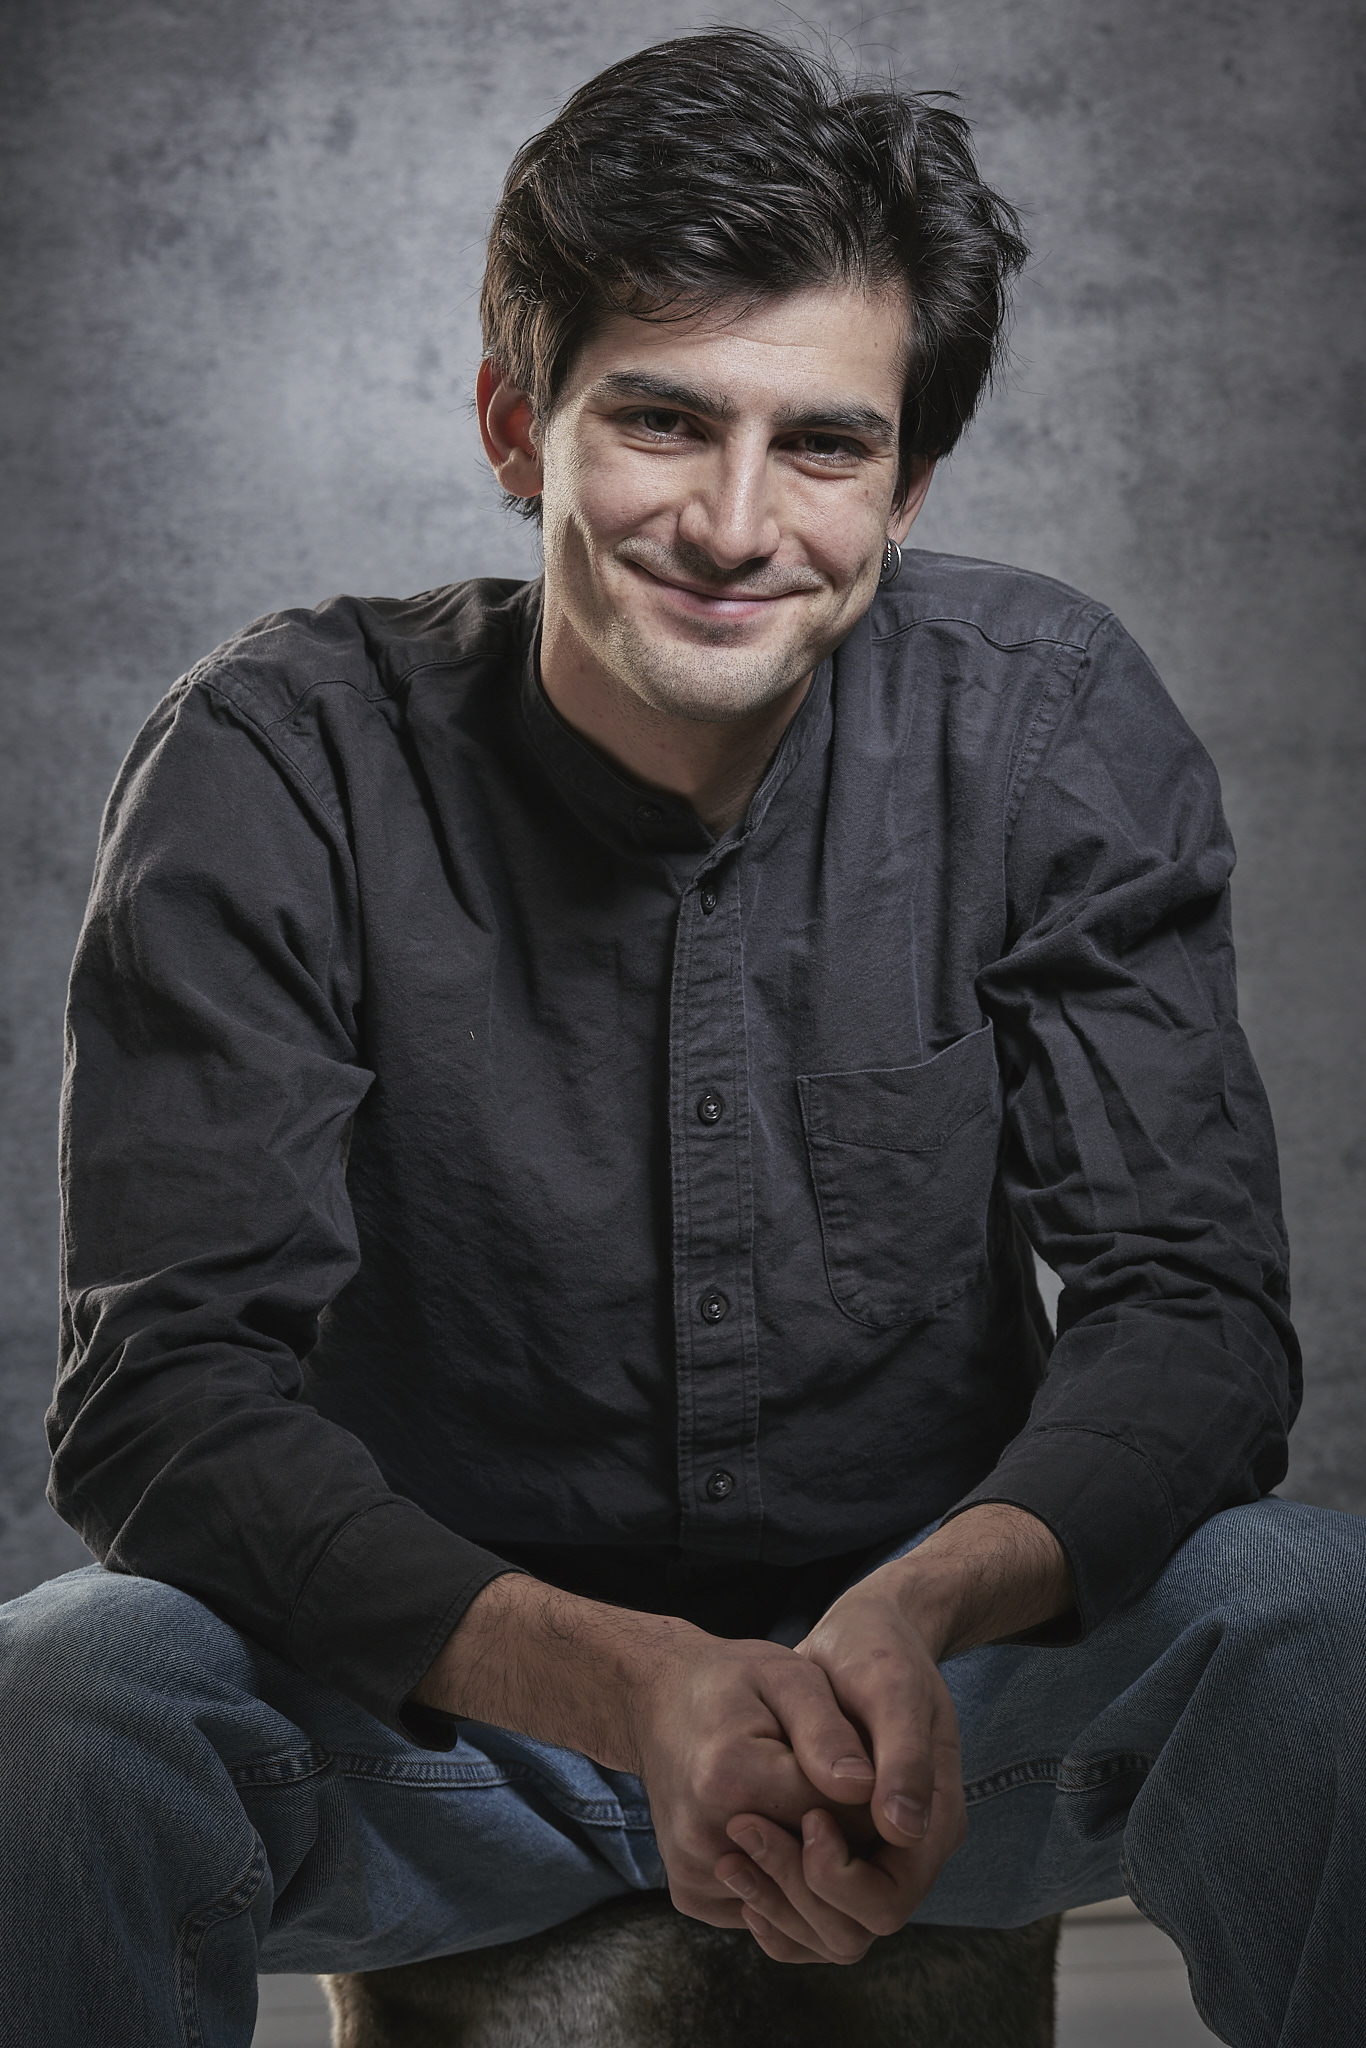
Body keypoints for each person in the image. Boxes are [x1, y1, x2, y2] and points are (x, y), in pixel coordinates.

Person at [2, 27, 1361, 2046]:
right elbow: (165, 1403)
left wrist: (909, 1615)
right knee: (64, 1699)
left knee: (1314, 1622)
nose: (735, 523)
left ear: (904, 482)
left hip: (933, 1707)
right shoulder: (276, 758)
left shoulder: (1046, 718)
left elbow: (1192, 1319)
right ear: (516, 421)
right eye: (660, 418)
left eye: (821, 444)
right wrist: (626, 1684)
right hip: (449, 1730)